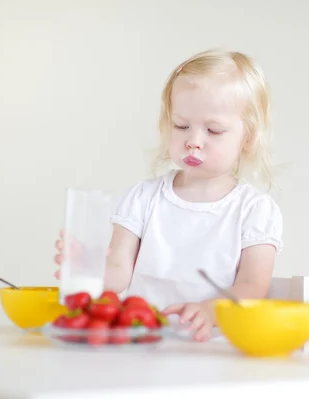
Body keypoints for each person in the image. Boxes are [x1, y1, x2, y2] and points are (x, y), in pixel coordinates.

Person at [54, 49, 283, 341]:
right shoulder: (142, 198)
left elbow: (253, 285)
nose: (193, 141)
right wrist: (86, 264)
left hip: (214, 350)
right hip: (142, 344)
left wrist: (211, 311)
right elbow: (118, 273)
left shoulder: (255, 209)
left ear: (247, 138)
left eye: (213, 130)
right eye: (181, 126)